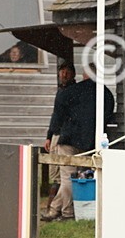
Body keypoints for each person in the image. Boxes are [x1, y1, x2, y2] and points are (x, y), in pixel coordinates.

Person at [41, 61, 115, 222]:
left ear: (84, 74)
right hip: (90, 142)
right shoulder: (107, 95)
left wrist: (50, 134)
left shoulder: (72, 91)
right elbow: (108, 117)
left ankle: (67, 213)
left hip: (68, 139)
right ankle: (54, 210)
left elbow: (58, 115)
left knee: (67, 177)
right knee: (81, 178)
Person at [45, 58, 77, 202]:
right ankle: (53, 202)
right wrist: (49, 135)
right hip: (56, 133)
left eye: (67, 72)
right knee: (54, 170)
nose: (63, 75)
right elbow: (55, 114)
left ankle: (56, 204)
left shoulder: (74, 91)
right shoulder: (60, 91)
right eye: (62, 72)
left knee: (62, 171)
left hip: (65, 134)